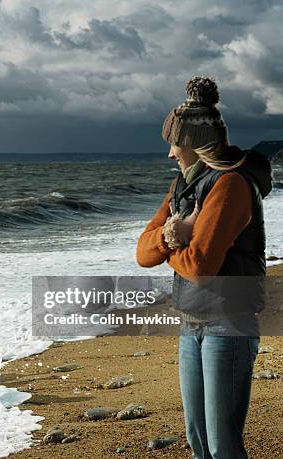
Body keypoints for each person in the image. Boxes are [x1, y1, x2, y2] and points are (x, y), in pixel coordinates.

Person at [136, 76, 272, 459]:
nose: (170, 155)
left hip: (229, 321)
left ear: (197, 145)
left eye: (175, 145)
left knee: (222, 446)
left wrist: (172, 245)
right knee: (198, 442)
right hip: (190, 320)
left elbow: (200, 266)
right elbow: (142, 254)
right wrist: (172, 235)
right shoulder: (182, 185)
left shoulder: (230, 185)